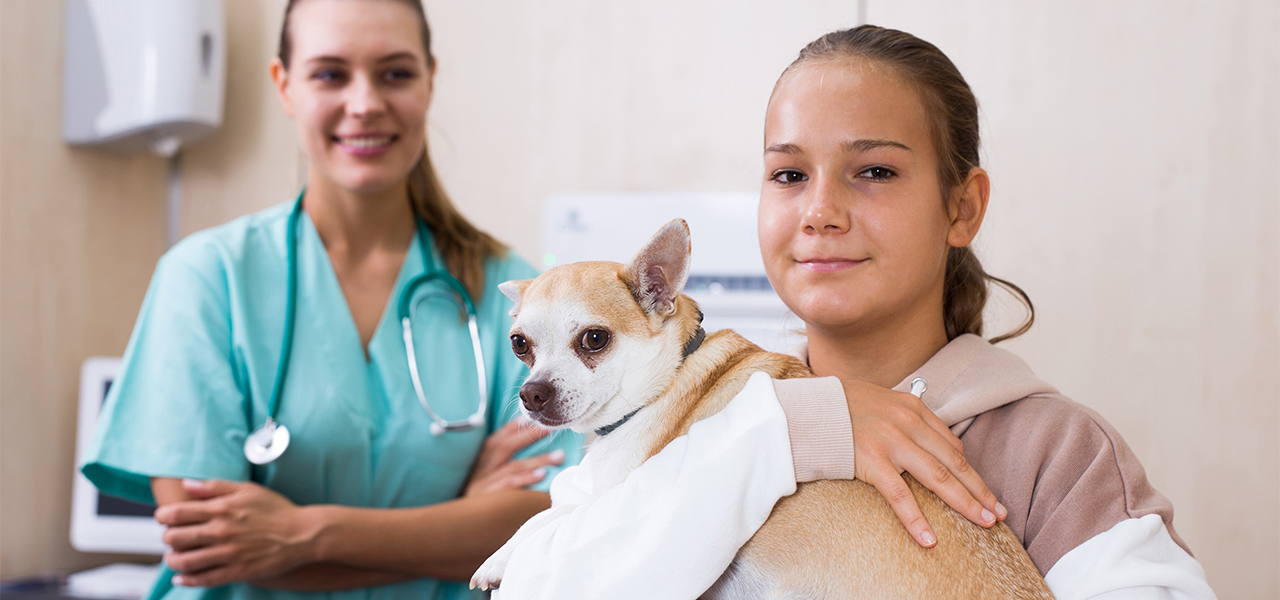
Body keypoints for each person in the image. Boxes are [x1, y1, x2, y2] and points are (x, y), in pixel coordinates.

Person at [493, 25, 1216, 599]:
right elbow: (533, 584)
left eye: (874, 171)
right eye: (788, 174)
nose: (820, 210)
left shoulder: (1055, 453)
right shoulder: (686, 409)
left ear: (961, 207)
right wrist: (788, 434)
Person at [80, 1, 584, 598]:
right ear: (284, 85)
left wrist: (301, 532)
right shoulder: (207, 279)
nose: (366, 102)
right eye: (329, 74)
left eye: (395, 73)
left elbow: (551, 522)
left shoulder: (515, 294)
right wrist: (455, 522)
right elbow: (207, 544)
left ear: (429, 80)